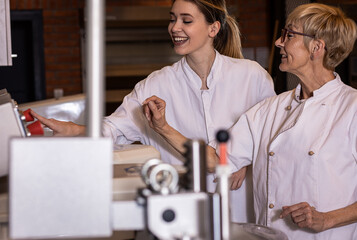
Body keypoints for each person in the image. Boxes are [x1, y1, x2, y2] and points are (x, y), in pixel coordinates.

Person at [31, 0, 275, 223]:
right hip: (181, 213)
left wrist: (243, 160)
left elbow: (271, 139)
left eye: (186, 20)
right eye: (172, 19)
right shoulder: (155, 84)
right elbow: (115, 129)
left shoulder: (251, 77)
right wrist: (76, 130)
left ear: (213, 29)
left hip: (240, 211)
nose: (175, 27)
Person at [145, 2, 357, 239]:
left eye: (289, 35)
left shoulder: (351, 108)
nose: (278, 42)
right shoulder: (269, 110)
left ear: (316, 47)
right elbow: (217, 160)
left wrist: (327, 218)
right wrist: (163, 128)